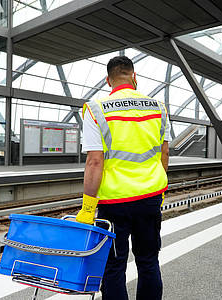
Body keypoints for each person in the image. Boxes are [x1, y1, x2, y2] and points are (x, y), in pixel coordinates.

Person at [76, 56, 171, 300]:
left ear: (108, 80)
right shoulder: (158, 107)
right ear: (134, 76)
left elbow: (94, 162)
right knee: (148, 261)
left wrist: (88, 207)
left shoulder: (96, 109)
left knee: (114, 266)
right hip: (149, 199)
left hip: (114, 204)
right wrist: (159, 191)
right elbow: (164, 153)